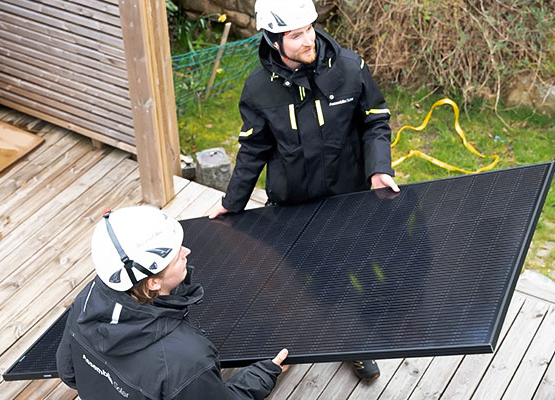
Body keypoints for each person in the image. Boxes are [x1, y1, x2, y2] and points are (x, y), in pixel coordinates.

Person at [208, 0, 398, 380]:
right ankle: (308, 338)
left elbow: (375, 122)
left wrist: (379, 170)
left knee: (353, 271)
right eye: (296, 35)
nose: (308, 39)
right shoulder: (259, 90)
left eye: (309, 28)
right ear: (274, 40)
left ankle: (354, 345)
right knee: (305, 279)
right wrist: (232, 203)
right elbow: (253, 149)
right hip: (292, 206)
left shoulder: (350, 67)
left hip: (349, 199)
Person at [56, 206, 289, 400]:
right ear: (153, 283)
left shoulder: (88, 298)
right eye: (177, 257)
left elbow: (69, 373)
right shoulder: (187, 359)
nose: (187, 251)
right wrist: (262, 374)